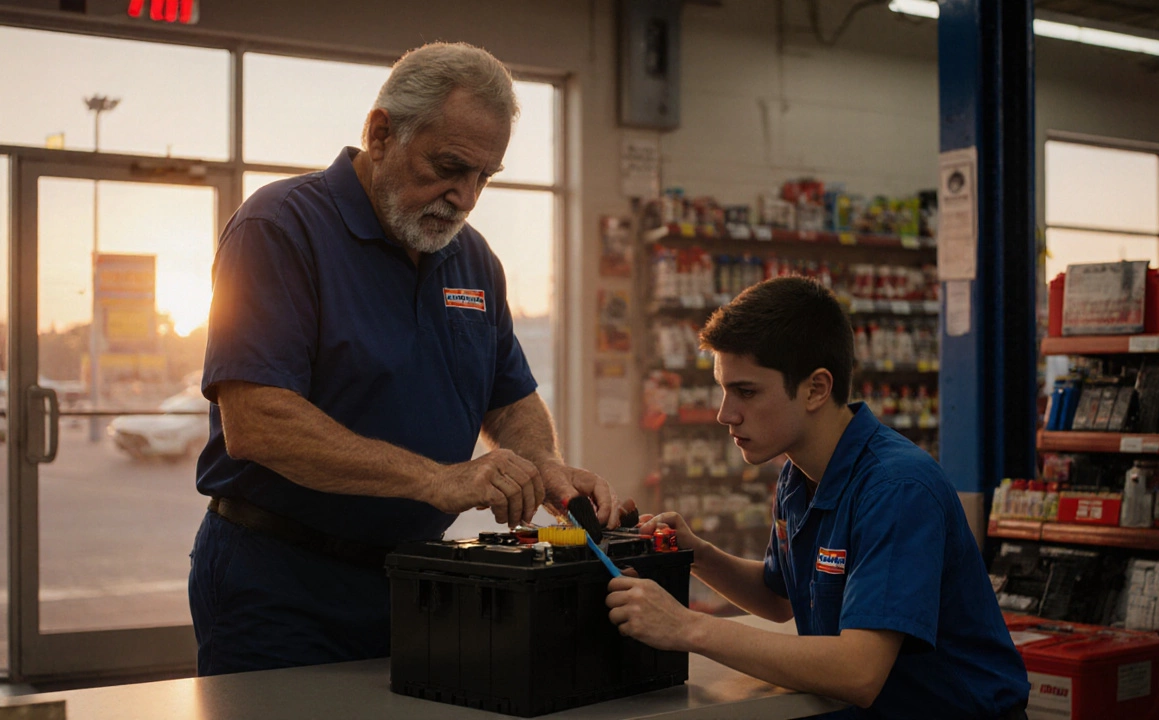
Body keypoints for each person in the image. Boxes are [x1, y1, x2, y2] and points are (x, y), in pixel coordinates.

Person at [189, 41, 616, 676]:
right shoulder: (279, 227)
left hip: (414, 581)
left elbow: (511, 395)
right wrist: (439, 480)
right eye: (449, 166)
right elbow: (258, 421)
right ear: (382, 133)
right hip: (279, 586)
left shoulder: (472, 260)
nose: (465, 196)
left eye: (483, 177)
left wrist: (545, 465)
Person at [605, 277, 1030, 719]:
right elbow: (779, 599)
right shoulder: (799, 475)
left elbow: (858, 672)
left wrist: (686, 627)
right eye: (723, 389)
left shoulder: (897, 488)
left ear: (816, 389)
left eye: (746, 391)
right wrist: (697, 554)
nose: (725, 414)